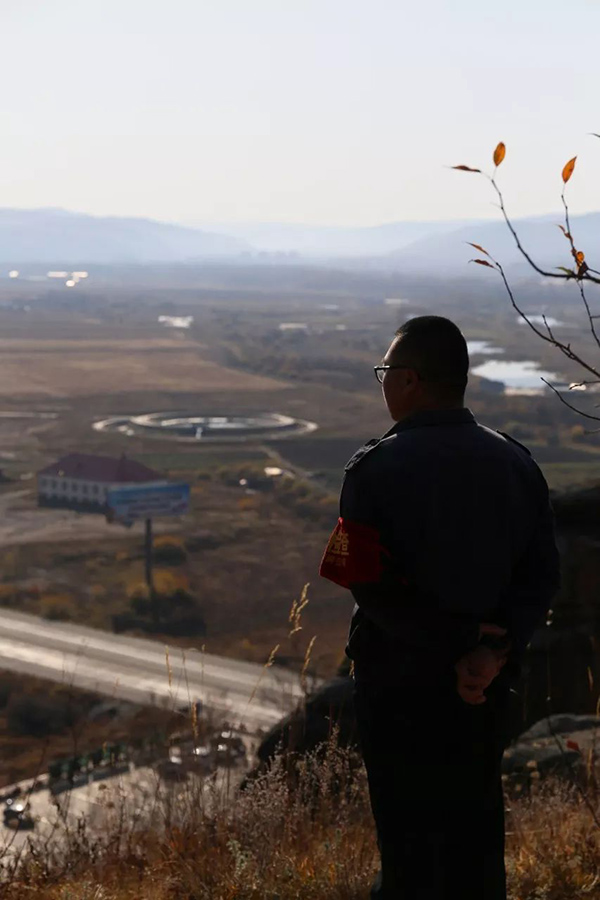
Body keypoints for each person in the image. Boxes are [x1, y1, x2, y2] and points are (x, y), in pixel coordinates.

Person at [319, 315, 561, 899]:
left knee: (407, 849)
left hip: (399, 692)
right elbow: (541, 577)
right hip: (484, 690)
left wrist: (454, 642)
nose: (382, 381)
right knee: (477, 844)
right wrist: (489, 653)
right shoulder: (517, 464)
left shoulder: (375, 469)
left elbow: (367, 585)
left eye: (385, 370)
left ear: (410, 380)